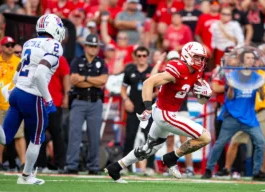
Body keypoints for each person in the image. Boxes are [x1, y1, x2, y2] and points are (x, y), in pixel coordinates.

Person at [0, 14, 65, 184]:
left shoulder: (29, 43)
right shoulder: (54, 45)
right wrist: (49, 100)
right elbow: (39, 74)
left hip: (17, 92)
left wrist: (16, 88)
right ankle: (26, 176)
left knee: (4, 137)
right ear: (54, 28)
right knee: (37, 138)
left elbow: (18, 71)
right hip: (33, 96)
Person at [105, 42, 212, 183]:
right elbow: (148, 83)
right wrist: (147, 106)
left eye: (202, 58)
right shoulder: (178, 68)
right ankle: (172, 157)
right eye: (197, 57)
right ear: (187, 56)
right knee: (205, 137)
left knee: (148, 149)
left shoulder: (196, 71)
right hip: (165, 114)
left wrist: (204, 95)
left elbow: (201, 101)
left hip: (166, 113)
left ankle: (115, 167)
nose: (200, 61)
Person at [201, 50, 265, 181]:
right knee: (220, 143)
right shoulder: (233, 76)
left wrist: (261, 87)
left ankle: (256, 172)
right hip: (232, 116)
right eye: (248, 57)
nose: (250, 60)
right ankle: (208, 169)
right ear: (242, 60)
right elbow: (229, 97)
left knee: (261, 142)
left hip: (249, 118)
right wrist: (230, 87)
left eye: (252, 58)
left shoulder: (257, 77)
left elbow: (263, 97)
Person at [65, 34, 108, 174]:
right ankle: (72, 165)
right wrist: (93, 81)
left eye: (96, 46)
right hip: (79, 101)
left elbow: (102, 81)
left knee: (94, 136)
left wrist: (84, 78)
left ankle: (93, 166)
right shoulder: (77, 61)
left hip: (95, 102)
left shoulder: (101, 62)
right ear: (85, 46)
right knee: (74, 134)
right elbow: (73, 80)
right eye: (90, 45)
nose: (93, 48)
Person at [0, 36, 26, 172]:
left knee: (19, 134)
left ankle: (24, 163)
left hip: (14, 104)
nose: (10, 47)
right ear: (1, 47)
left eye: (12, 45)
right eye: (7, 45)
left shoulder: (19, 62)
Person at [121, 46, 155, 174]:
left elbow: (158, 89)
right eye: (139, 55)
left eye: (144, 55)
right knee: (129, 136)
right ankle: (124, 166)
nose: (141, 58)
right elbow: (123, 89)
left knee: (150, 137)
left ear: (147, 56)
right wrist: (126, 100)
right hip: (133, 107)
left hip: (147, 108)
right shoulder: (130, 70)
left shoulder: (152, 70)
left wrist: (153, 95)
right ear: (135, 56)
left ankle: (149, 167)